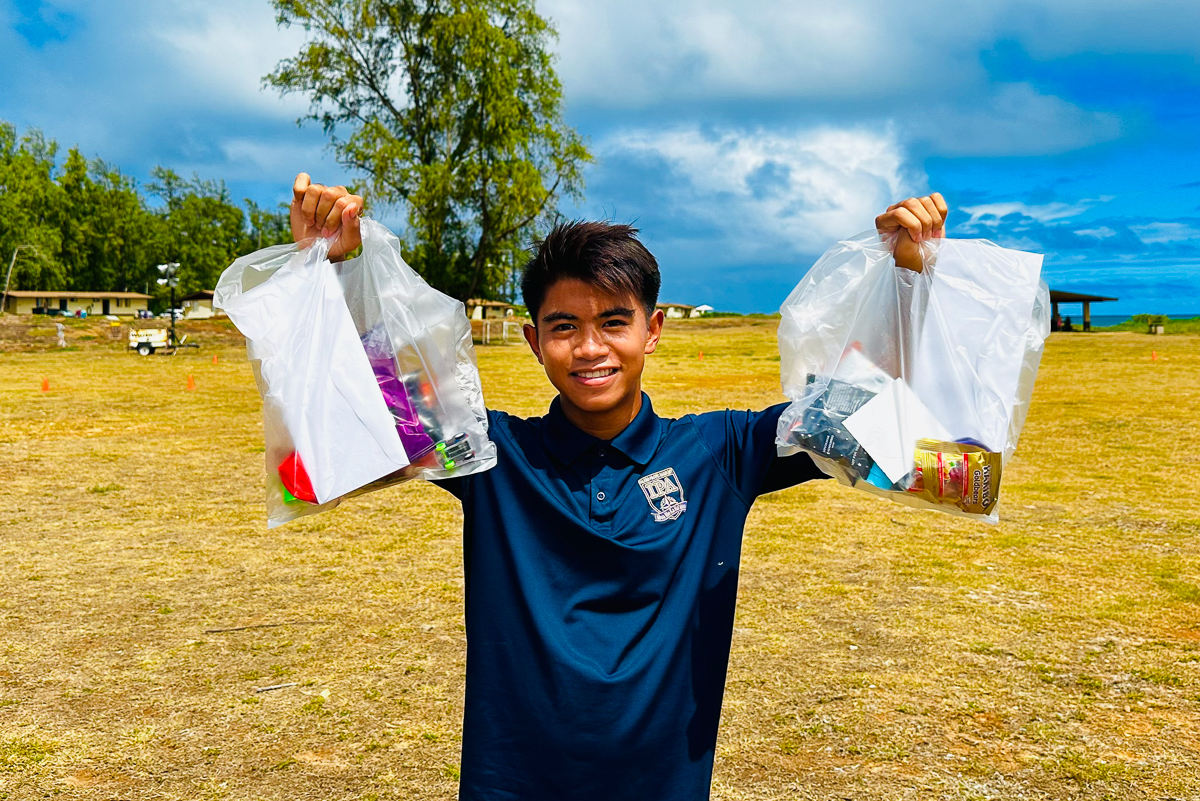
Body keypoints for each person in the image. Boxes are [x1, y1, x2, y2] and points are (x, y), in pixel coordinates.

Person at [289, 173, 950, 800]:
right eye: (564, 327)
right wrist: (339, 266)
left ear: (651, 330)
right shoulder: (495, 457)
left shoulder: (720, 453)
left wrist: (908, 279)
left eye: (613, 322)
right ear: (533, 341)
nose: (589, 348)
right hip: (510, 784)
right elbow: (378, 399)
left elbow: (858, 413)